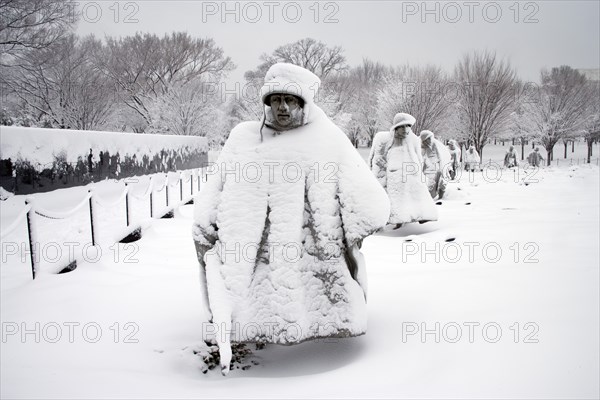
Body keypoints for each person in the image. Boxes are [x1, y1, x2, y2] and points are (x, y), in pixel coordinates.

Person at [192, 63, 390, 375]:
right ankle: (257, 340)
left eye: (291, 100)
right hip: (258, 248)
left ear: (303, 104)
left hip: (311, 247)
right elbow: (217, 186)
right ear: (267, 103)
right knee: (259, 300)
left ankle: (316, 357)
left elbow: (364, 192)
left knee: (314, 301)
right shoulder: (244, 139)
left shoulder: (326, 139)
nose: (283, 107)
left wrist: (360, 221)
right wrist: (206, 222)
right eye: (276, 99)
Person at [370, 113, 438, 228]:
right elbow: (379, 158)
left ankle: (419, 216)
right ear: (396, 127)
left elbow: (419, 158)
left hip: (411, 174)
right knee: (397, 201)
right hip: (394, 175)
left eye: (408, 126)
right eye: (402, 126)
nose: (406, 129)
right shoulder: (388, 140)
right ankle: (397, 225)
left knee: (416, 199)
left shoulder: (414, 140)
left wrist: (418, 173)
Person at [420, 130, 451, 199]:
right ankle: (428, 198)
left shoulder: (435, 145)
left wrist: (442, 168)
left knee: (436, 184)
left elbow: (441, 157)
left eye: (429, 138)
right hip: (425, 169)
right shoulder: (420, 146)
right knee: (426, 184)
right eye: (427, 139)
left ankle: (436, 197)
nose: (429, 140)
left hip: (435, 168)